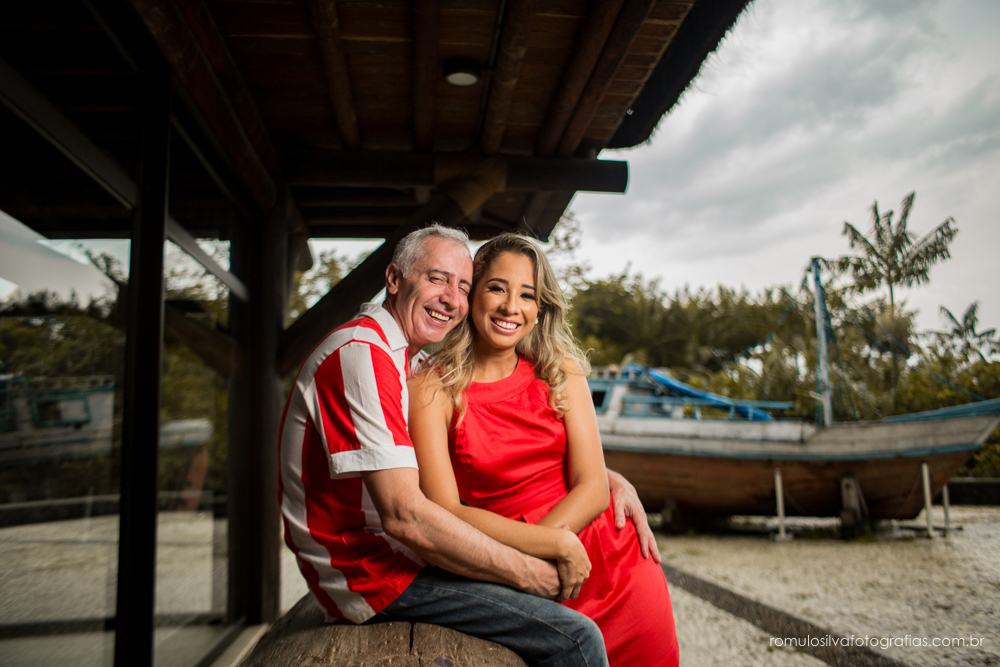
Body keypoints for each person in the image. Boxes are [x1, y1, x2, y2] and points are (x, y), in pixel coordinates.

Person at [278, 224, 653, 666]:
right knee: (576, 639)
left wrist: (606, 478)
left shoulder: (405, 357)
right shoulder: (363, 353)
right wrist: (528, 569)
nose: (451, 299)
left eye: (461, 286)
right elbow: (406, 516)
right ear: (394, 279)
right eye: (437, 278)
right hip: (372, 572)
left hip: (403, 556)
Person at [408, 232, 680, 667]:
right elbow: (445, 512)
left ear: (540, 309)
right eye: (497, 288)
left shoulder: (562, 371)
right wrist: (533, 557)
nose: (510, 307)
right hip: (520, 574)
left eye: (527, 295)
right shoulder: (431, 388)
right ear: (473, 294)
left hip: (612, 563)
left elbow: (593, 487)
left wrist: (547, 546)